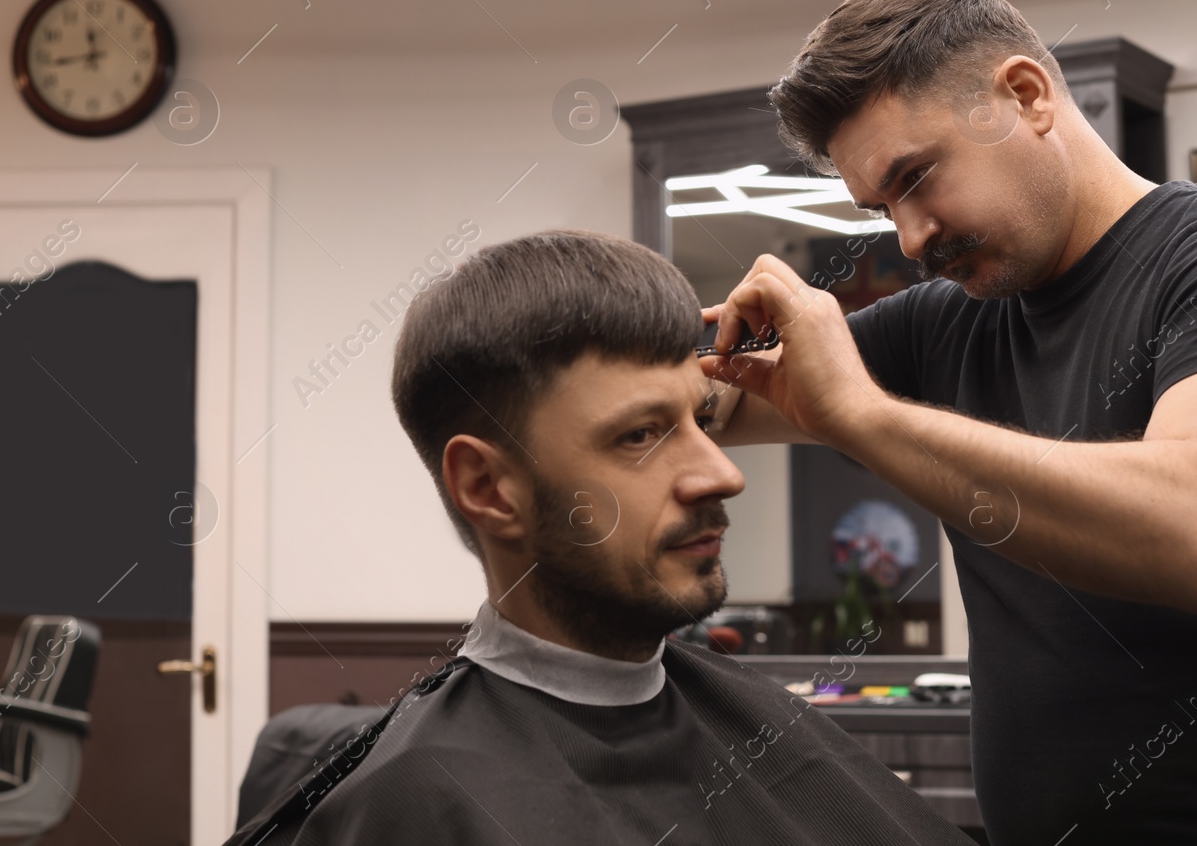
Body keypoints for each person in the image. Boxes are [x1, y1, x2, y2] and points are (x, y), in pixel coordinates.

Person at [702, 0, 1197, 845]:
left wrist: (865, 416)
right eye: (884, 207)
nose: (912, 236)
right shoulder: (946, 325)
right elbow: (715, 397)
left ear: (1026, 96)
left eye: (917, 176)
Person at [224, 230, 976, 846]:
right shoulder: (419, 802)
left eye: (701, 420)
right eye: (641, 435)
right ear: (489, 489)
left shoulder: (760, 720)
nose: (721, 474)